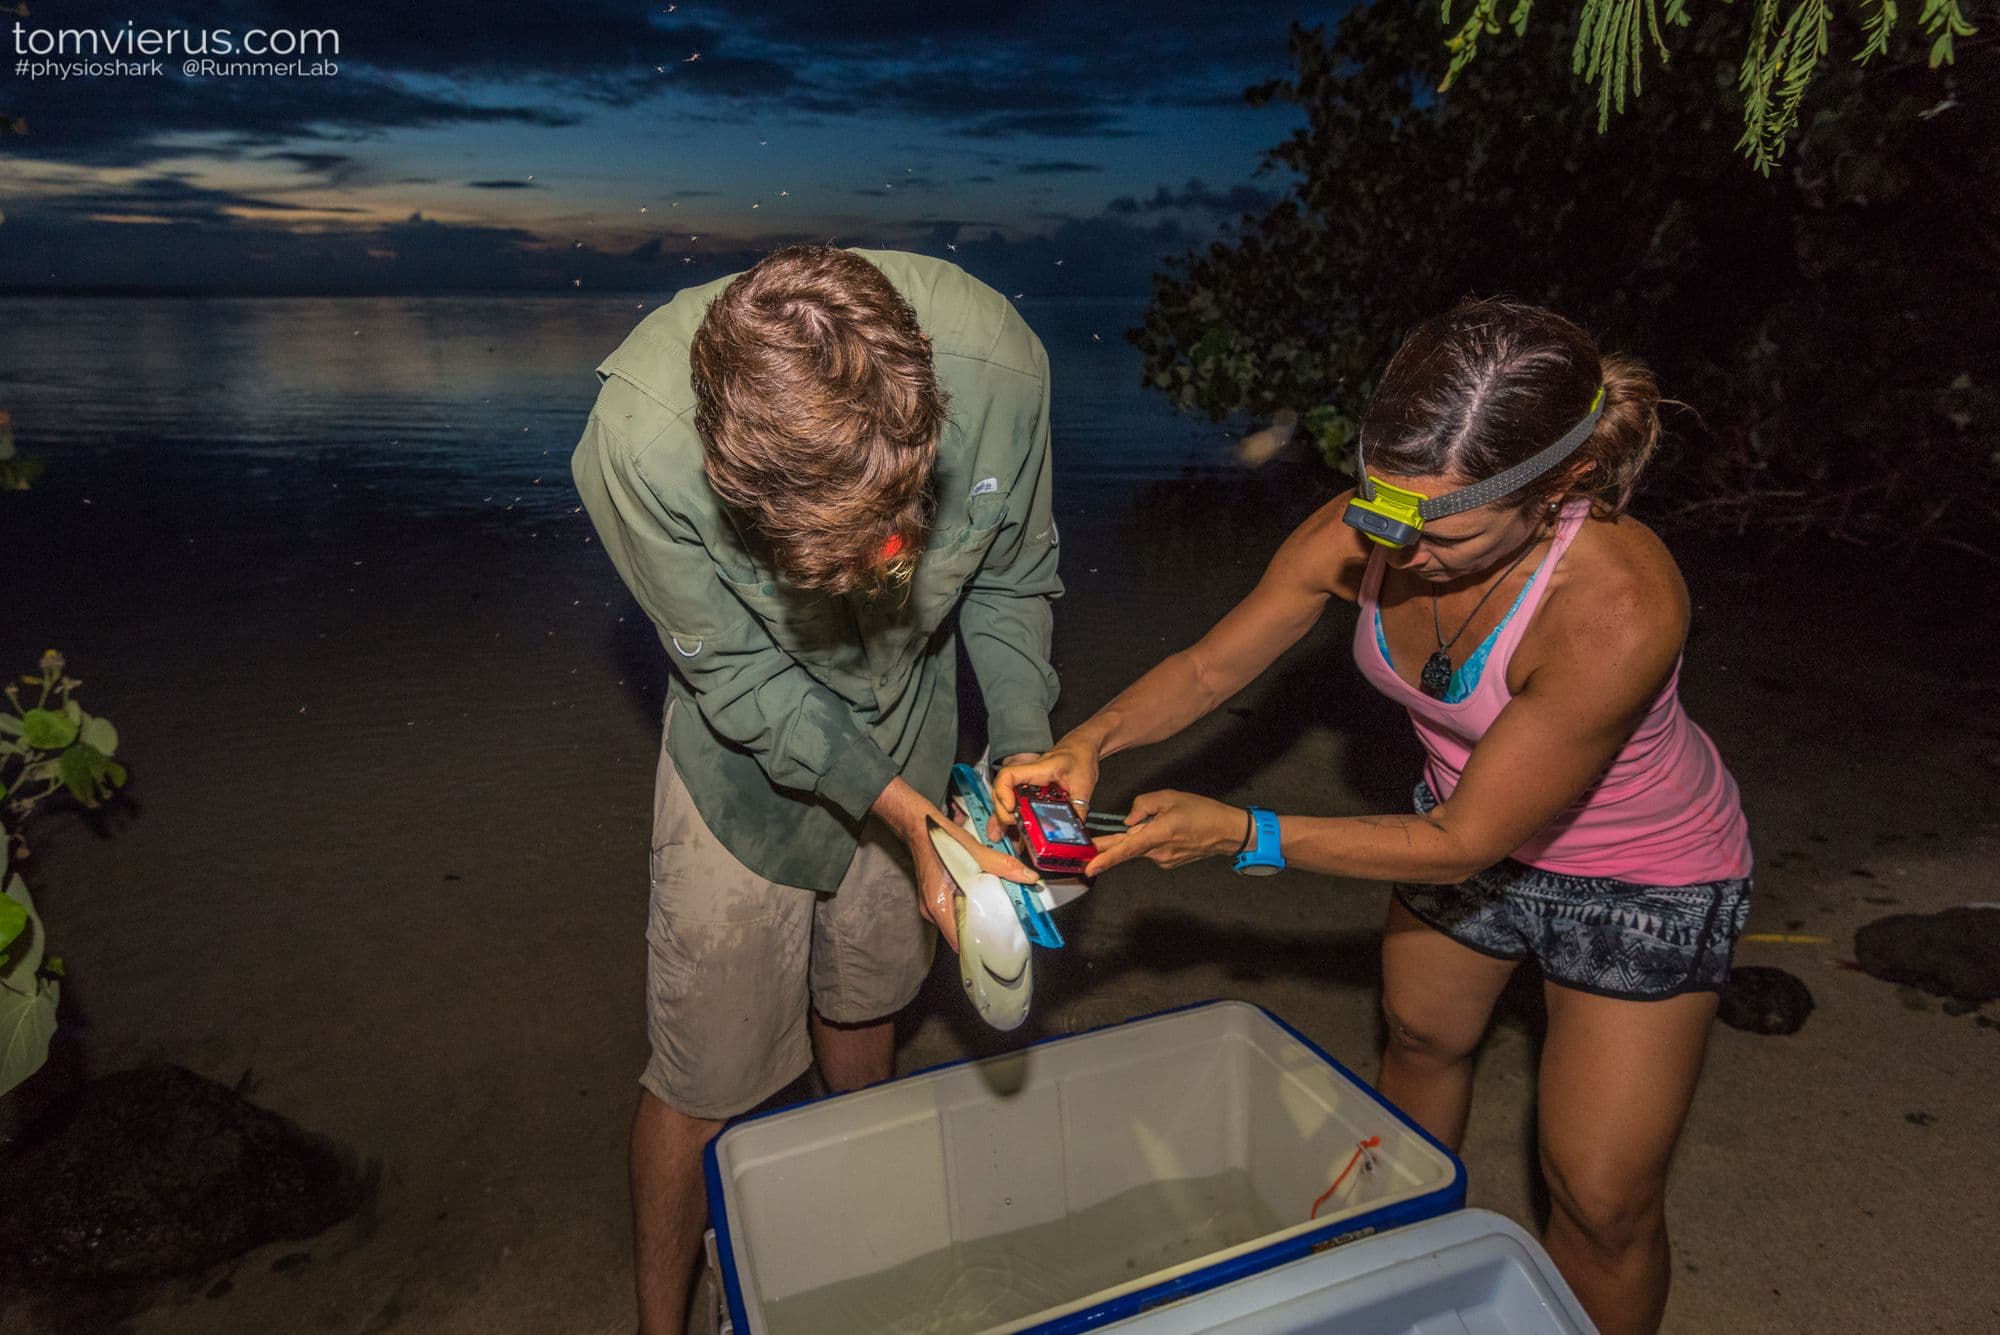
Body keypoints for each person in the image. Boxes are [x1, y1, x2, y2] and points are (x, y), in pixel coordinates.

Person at [996, 300, 1751, 1335]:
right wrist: (1089, 742)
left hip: (1637, 880)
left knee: (1598, 1195)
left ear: (1558, 487)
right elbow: (1215, 664)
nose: (1392, 548)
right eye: (1378, 509)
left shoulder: (1616, 602)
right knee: (1414, 1047)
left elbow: (1465, 843)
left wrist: (1242, 835)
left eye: (1436, 530)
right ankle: (1395, 1294)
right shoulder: (1379, 520)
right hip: (1447, 831)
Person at [573, 245, 1059, 1335]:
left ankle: (863, 1271)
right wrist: (909, 817)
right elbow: (736, 675)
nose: (871, 574)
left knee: (867, 1008)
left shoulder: (1002, 369)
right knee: (704, 1079)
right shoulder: (635, 444)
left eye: (886, 533)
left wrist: (1021, 746)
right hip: (736, 771)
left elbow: (1014, 574)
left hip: (921, 729)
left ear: (923, 401)